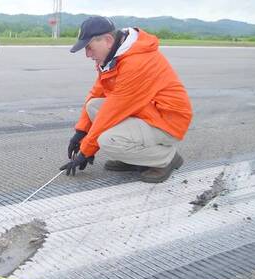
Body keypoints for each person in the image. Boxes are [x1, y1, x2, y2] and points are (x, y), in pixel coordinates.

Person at [60, 16, 192, 183]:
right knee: (93, 106)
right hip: (148, 112)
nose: (87, 55)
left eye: (89, 48)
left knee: (108, 141)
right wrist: (80, 132)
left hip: (167, 122)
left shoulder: (136, 63)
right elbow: (97, 93)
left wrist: (86, 151)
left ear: (108, 40)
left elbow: (113, 111)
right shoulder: (113, 57)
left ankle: (166, 158)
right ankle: (134, 157)